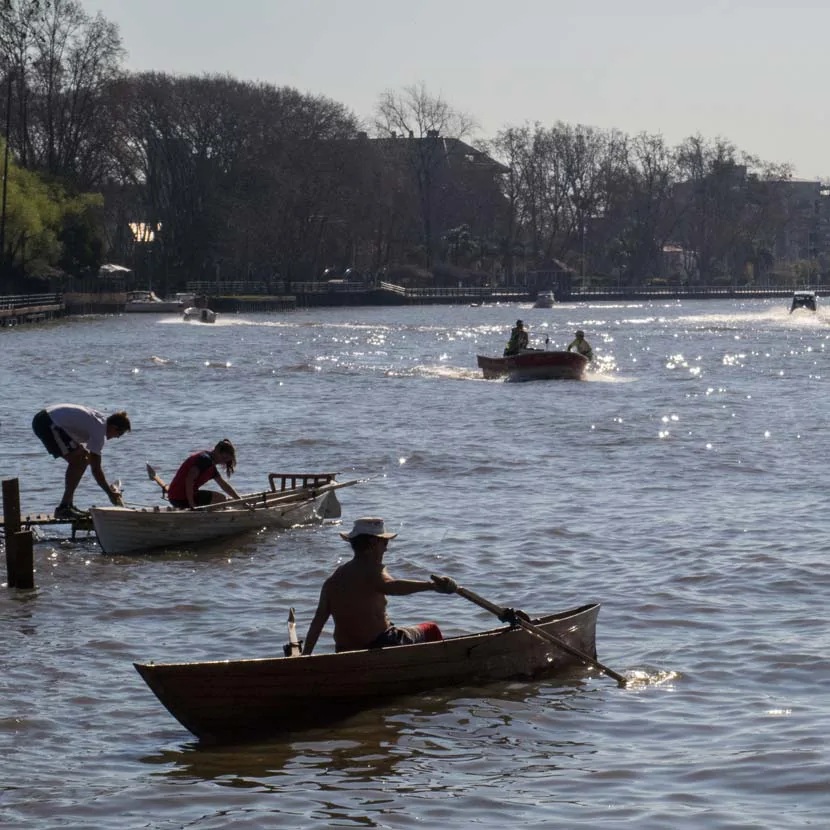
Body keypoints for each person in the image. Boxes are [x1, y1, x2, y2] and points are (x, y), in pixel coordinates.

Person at [302, 517, 458, 655]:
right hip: (381, 644)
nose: (386, 548)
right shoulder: (373, 570)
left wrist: (305, 656)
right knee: (431, 629)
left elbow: (318, 621)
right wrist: (431, 586)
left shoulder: (333, 580)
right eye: (385, 542)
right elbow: (391, 586)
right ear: (373, 543)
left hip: (344, 650)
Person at [32, 404, 131, 520]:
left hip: (47, 418)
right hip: (47, 422)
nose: (117, 437)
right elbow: (96, 470)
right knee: (80, 461)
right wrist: (110, 493)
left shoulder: (101, 422)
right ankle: (64, 507)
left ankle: (68, 505)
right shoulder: (99, 432)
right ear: (114, 428)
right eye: (119, 434)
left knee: (83, 457)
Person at [166, 438, 241, 509]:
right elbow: (189, 480)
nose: (223, 462)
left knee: (221, 499)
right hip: (180, 498)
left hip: (177, 498)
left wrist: (240, 501)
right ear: (217, 450)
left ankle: (208, 517)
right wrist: (193, 505)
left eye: (226, 460)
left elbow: (224, 485)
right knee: (220, 499)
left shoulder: (211, 466)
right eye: (223, 458)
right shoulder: (204, 459)